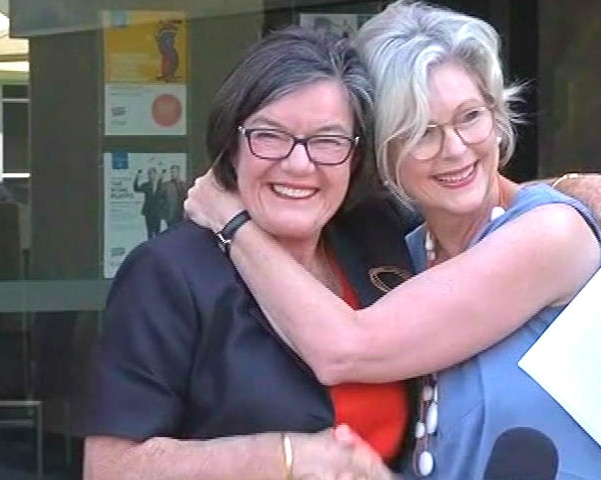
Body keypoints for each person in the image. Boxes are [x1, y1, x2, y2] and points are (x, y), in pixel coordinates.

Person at [183, 2, 601, 479]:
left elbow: (344, 349)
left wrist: (232, 218)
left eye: (470, 117)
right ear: (380, 150)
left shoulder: (551, 233)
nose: (454, 149)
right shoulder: (405, 255)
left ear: (498, 120)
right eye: (420, 132)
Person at [84, 27, 409, 480]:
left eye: (328, 141)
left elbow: (474, 217)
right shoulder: (168, 273)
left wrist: (543, 202)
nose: (299, 164)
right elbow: (109, 469)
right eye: (270, 135)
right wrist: (282, 458)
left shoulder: (379, 239)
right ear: (232, 145)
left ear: (355, 157)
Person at [133, 166, 163, 239]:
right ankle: (150, 247)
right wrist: (137, 177)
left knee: (157, 231)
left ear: (156, 174)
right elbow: (136, 189)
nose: (150, 175)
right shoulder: (146, 185)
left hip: (158, 211)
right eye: (149, 174)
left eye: (152, 174)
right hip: (148, 211)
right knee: (149, 231)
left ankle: (158, 246)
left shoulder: (161, 185)